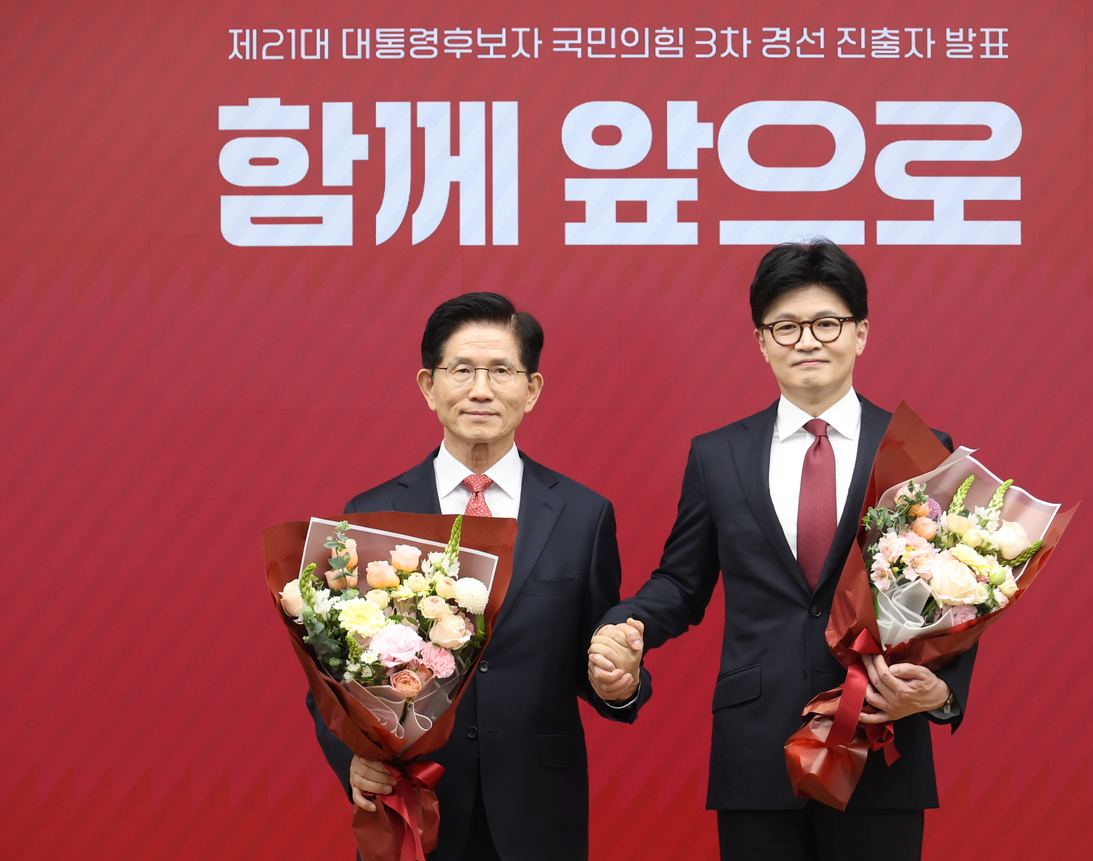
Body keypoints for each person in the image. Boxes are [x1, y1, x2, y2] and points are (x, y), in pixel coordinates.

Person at [587, 241, 977, 861]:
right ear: (762, 340)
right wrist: (626, 622)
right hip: (757, 750)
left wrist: (941, 691)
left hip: (881, 735)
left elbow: (959, 589)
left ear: (861, 333)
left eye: (827, 323)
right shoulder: (718, 455)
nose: (807, 341)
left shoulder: (918, 449)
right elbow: (682, 585)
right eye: (786, 326)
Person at [308, 292, 649, 861]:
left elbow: (596, 664)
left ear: (532, 389)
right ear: (428, 386)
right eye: (461, 370)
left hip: (538, 810)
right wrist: (354, 761)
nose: (481, 389)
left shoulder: (584, 515)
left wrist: (621, 683)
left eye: (501, 371)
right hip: (413, 799)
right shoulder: (370, 514)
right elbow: (328, 669)